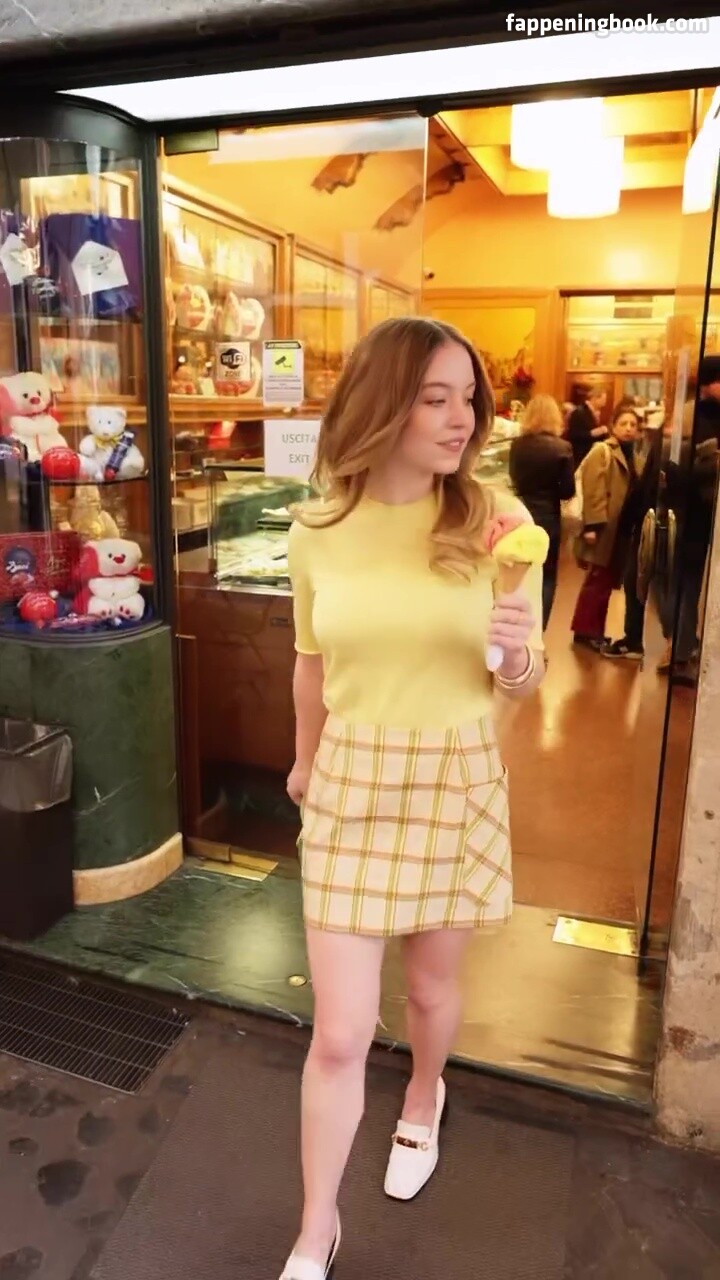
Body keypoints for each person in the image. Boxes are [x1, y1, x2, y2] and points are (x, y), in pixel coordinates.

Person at [281, 317, 545, 1280]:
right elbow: (311, 665)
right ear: (381, 405)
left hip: (454, 773)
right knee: (340, 1031)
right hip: (352, 781)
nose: (459, 417)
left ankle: (425, 1096)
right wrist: (304, 764)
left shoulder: (496, 521)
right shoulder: (316, 532)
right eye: (434, 398)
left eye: (467, 397)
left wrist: (515, 653)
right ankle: (316, 1229)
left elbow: (526, 680)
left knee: (430, 989)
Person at [571, 404, 641, 651]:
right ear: (613, 426)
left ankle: (595, 631)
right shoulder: (603, 451)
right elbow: (594, 490)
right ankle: (585, 631)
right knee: (597, 581)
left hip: (619, 530)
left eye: (633, 425)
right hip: (603, 528)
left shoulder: (634, 455)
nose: (629, 429)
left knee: (606, 581)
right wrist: (592, 525)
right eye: (623, 424)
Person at [510, 392, 575, 630]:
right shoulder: (562, 448)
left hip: (520, 514)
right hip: (548, 519)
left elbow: (514, 479)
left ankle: (517, 626)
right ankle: (538, 630)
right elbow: (567, 491)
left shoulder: (517, 445)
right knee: (546, 576)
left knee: (519, 573)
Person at [566, 384, 609, 469]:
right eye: (603, 399)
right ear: (595, 398)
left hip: (591, 455)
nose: (605, 402)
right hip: (580, 457)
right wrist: (592, 433)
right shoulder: (579, 412)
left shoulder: (595, 412)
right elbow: (573, 435)